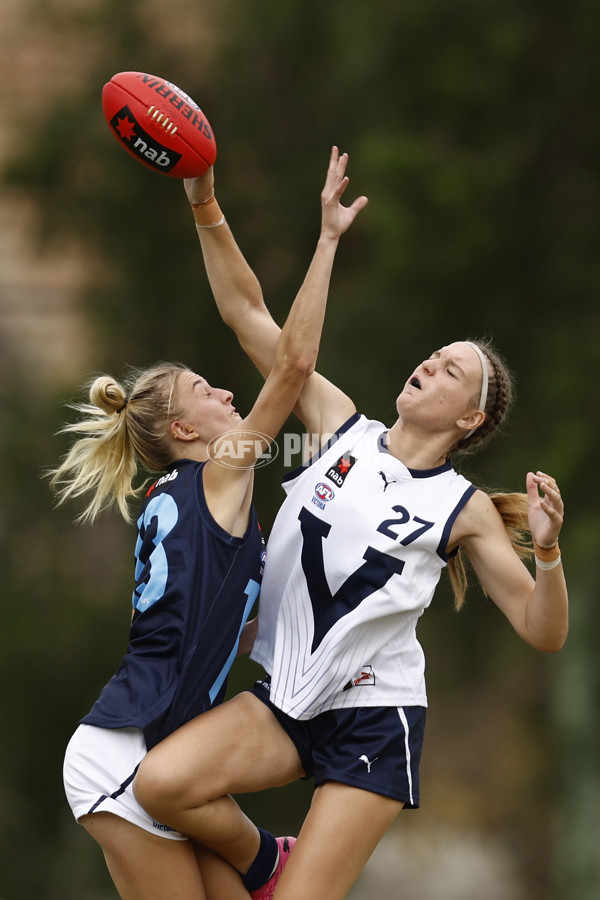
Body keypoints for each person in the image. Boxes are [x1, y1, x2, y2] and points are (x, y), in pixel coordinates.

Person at [133, 151, 568, 900]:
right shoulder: (341, 428)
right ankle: (268, 862)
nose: (431, 363)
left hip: (374, 719)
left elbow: (542, 630)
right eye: (435, 354)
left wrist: (551, 554)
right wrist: (206, 204)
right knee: (160, 786)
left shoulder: (458, 506)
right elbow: (246, 316)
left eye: (451, 370)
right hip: (287, 701)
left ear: (469, 419)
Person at [51, 147, 368, 900]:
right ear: (186, 431)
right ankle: (269, 860)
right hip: (123, 759)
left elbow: (234, 630)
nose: (225, 389)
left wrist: (338, 653)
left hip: (158, 755)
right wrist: (323, 241)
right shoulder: (220, 470)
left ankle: (267, 864)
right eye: (204, 389)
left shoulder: (190, 495)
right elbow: (287, 364)